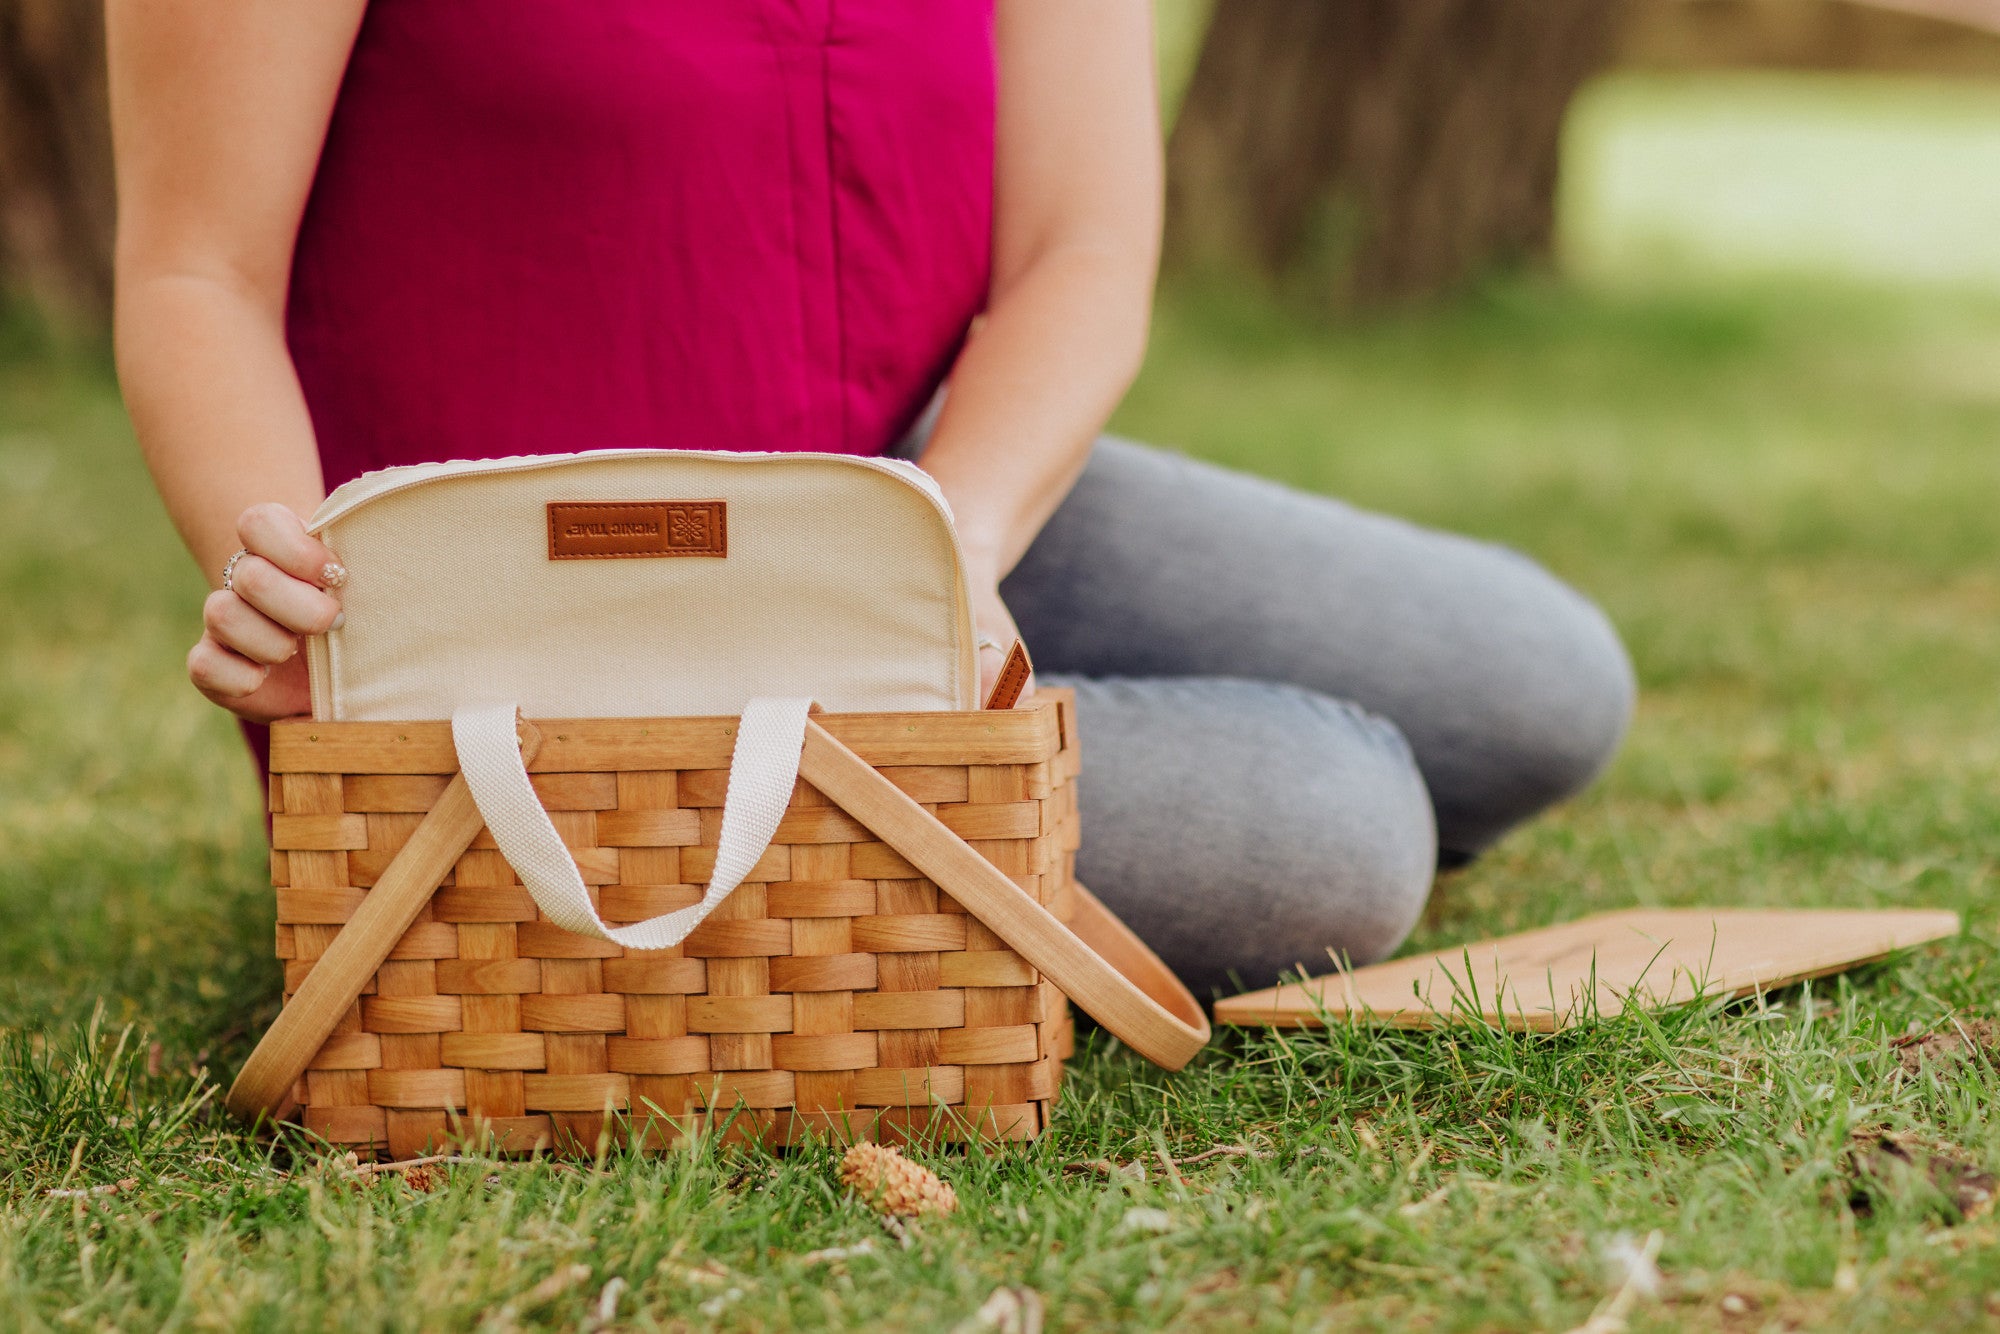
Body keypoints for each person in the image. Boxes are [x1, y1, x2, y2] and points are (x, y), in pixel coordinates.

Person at [109, 0, 1633, 996]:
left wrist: (949, 555)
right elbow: (197, 270)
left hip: (904, 490)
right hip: (541, 612)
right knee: (1335, 832)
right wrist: (302, 590)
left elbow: (1078, 254)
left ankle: (934, 752)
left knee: (1538, 682)